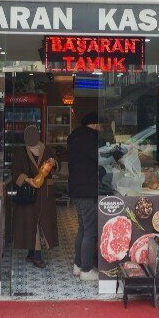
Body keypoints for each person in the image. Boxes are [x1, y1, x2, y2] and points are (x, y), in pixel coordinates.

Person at [11, 125, 58, 269]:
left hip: (45, 194)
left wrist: (53, 163)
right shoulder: (20, 151)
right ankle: (36, 254)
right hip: (29, 193)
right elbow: (15, 171)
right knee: (31, 222)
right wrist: (28, 180)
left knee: (41, 221)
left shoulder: (47, 150)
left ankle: (33, 252)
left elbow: (57, 165)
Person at [67, 112, 102, 281]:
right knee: (90, 231)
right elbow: (99, 159)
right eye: (100, 125)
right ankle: (86, 270)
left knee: (82, 228)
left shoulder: (75, 137)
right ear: (94, 125)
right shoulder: (90, 138)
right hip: (87, 191)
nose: (101, 128)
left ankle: (78, 265)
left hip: (76, 190)